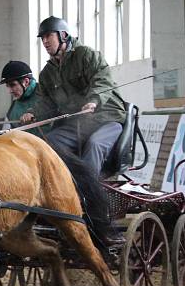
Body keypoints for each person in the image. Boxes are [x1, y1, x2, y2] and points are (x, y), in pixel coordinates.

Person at [32, 16, 127, 178]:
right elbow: (46, 102)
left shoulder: (87, 55)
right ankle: (63, 181)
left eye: (49, 36)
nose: (45, 42)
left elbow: (102, 79)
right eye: (43, 38)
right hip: (79, 124)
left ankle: (87, 190)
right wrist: (33, 112)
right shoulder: (47, 73)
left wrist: (94, 101)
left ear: (63, 35)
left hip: (108, 118)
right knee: (48, 141)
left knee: (95, 144)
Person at [0, 61, 42, 126]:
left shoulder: (47, 94)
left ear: (26, 82)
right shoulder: (13, 108)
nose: (10, 91)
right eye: (7, 86)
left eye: (12, 85)